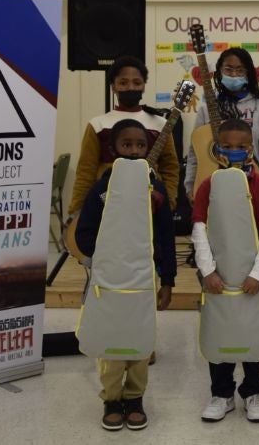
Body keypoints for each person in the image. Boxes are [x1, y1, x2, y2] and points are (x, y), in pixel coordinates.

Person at [74, 119, 177, 432]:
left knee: (138, 340)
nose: (134, 151)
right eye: (126, 145)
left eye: (140, 145)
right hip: (109, 280)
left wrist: (168, 279)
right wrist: (102, 257)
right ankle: (111, 397)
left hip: (143, 280)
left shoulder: (155, 188)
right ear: (113, 148)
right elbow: (84, 232)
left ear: (148, 149)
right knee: (111, 343)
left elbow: (165, 236)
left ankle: (134, 397)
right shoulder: (102, 187)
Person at [191, 119, 259, 423]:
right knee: (220, 332)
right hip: (218, 277)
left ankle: (254, 391)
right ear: (217, 150)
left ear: (251, 149)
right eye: (227, 146)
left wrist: (258, 272)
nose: (234, 151)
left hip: (252, 277)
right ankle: (222, 393)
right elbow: (199, 228)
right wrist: (207, 271)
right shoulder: (209, 185)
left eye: (241, 147)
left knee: (252, 332)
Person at [70, 56, 181, 215]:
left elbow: (170, 168)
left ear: (143, 87)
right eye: (123, 83)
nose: (130, 87)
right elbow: (85, 172)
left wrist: (168, 202)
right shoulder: (97, 125)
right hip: (107, 204)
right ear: (113, 87)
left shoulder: (160, 124)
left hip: (151, 206)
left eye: (137, 83)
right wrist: (77, 210)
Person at [185, 48, 259, 196]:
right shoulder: (207, 108)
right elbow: (195, 154)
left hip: (252, 185)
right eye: (228, 69)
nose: (234, 74)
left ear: (248, 74)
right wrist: (190, 187)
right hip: (213, 186)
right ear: (219, 71)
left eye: (240, 70)